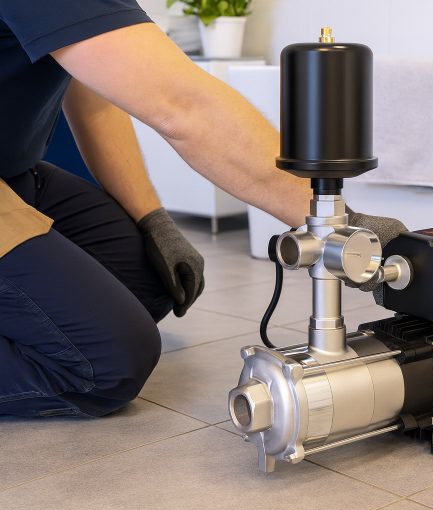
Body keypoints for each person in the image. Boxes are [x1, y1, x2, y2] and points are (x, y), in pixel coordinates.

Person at [0, 1, 403, 418]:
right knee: (105, 365)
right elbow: (183, 105)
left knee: (150, 285)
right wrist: (342, 227)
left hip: (16, 173)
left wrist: (154, 220)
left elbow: (92, 96)